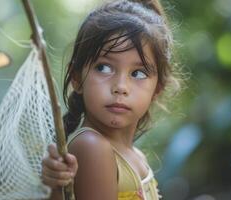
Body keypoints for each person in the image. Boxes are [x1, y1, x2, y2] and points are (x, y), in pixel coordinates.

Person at [41, 0, 180, 199]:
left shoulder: (135, 156)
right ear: (77, 79)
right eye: (104, 68)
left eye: (138, 73)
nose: (120, 87)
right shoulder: (92, 147)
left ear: (156, 90)